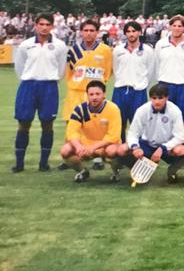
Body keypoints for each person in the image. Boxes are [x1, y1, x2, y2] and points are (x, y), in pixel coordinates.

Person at [12, 13, 68, 172]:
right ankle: (19, 164)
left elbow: (61, 69)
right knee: (23, 123)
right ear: (35, 25)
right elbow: (19, 67)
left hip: (49, 87)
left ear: (52, 26)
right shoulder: (25, 45)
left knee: (47, 124)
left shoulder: (60, 45)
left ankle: (43, 164)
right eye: (41, 24)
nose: (44, 27)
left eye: (47, 24)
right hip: (28, 86)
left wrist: (51, 80)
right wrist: (28, 80)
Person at [121, 83, 184, 183]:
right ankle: (137, 168)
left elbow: (180, 137)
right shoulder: (142, 110)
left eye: (160, 98)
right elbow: (132, 133)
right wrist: (135, 147)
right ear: (150, 98)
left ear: (167, 98)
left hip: (167, 147)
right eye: (154, 98)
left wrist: (163, 148)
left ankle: (172, 171)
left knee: (181, 150)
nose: (157, 101)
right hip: (147, 145)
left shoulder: (175, 111)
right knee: (123, 149)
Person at [60, 80, 121, 182]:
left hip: (106, 145)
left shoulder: (113, 109)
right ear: (87, 95)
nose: (94, 97)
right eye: (91, 94)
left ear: (104, 95)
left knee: (112, 151)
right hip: (86, 145)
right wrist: (78, 146)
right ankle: (82, 171)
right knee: (65, 150)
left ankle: (116, 173)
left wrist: (93, 147)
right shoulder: (80, 109)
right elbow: (71, 132)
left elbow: (113, 136)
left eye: (97, 94)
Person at [111, 21, 155, 141]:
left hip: (138, 92)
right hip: (120, 91)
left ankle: (138, 152)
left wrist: (142, 85)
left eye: (134, 31)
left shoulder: (147, 50)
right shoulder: (118, 50)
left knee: (139, 124)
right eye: (128, 31)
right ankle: (121, 152)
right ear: (125, 33)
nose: (131, 34)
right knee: (119, 123)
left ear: (139, 32)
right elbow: (116, 69)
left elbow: (150, 72)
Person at [155, 15, 184, 120]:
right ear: (170, 27)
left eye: (180, 26)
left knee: (182, 118)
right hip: (164, 85)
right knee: (163, 118)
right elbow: (156, 64)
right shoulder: (161, 44)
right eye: (174, 25)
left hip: (183, 86)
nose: (177, 28)